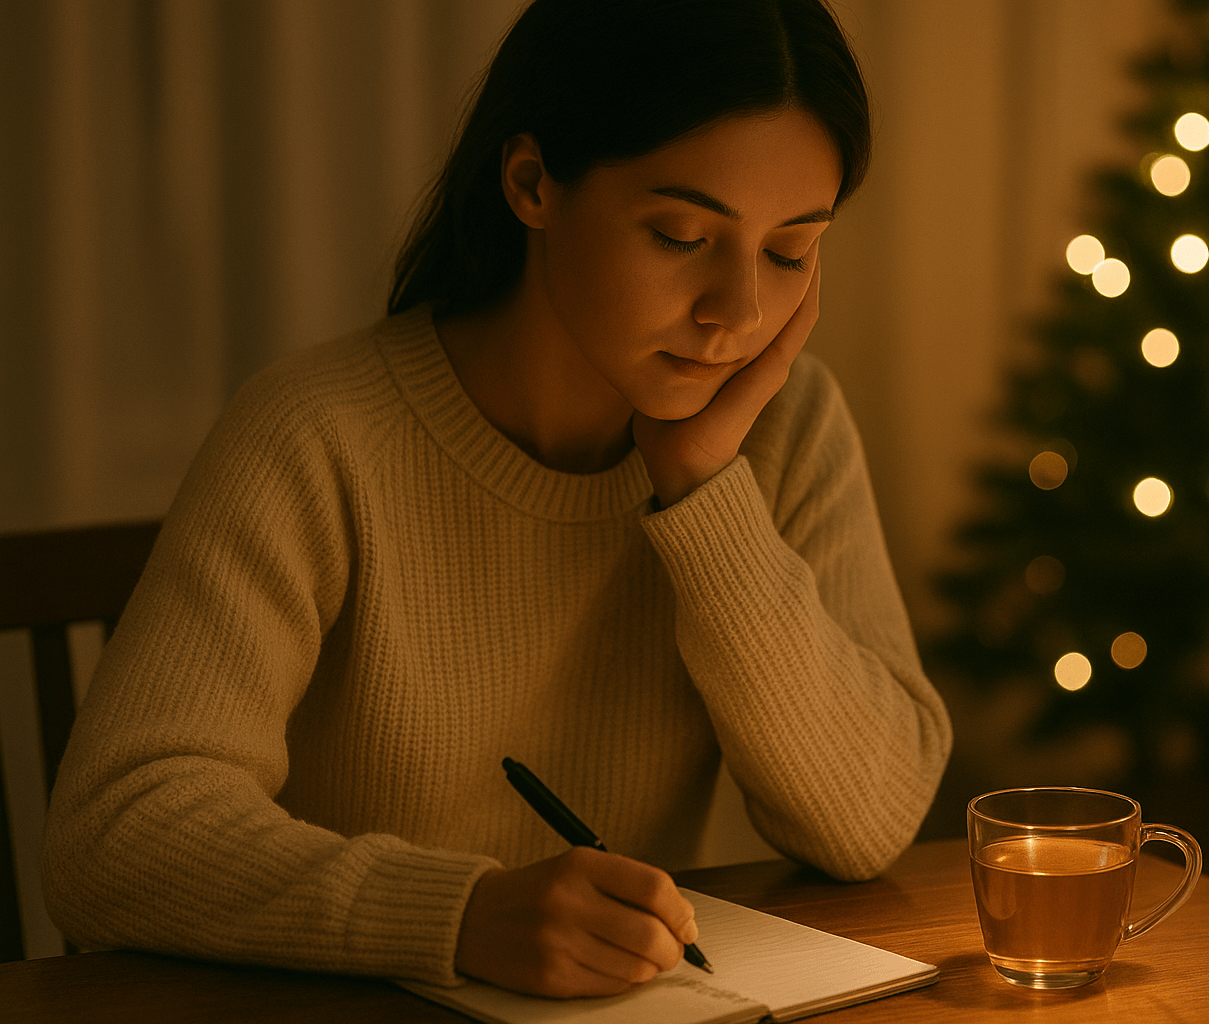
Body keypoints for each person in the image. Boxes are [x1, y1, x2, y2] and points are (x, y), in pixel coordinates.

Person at [41, 0, 952, 1000]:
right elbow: (114, 833)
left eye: (789, 253)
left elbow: (864, 823)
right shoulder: (319, 433)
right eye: (683, 234)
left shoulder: (783, 425)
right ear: (532, 184)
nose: (738, 312)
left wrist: (703, 486)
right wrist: (457, 913)